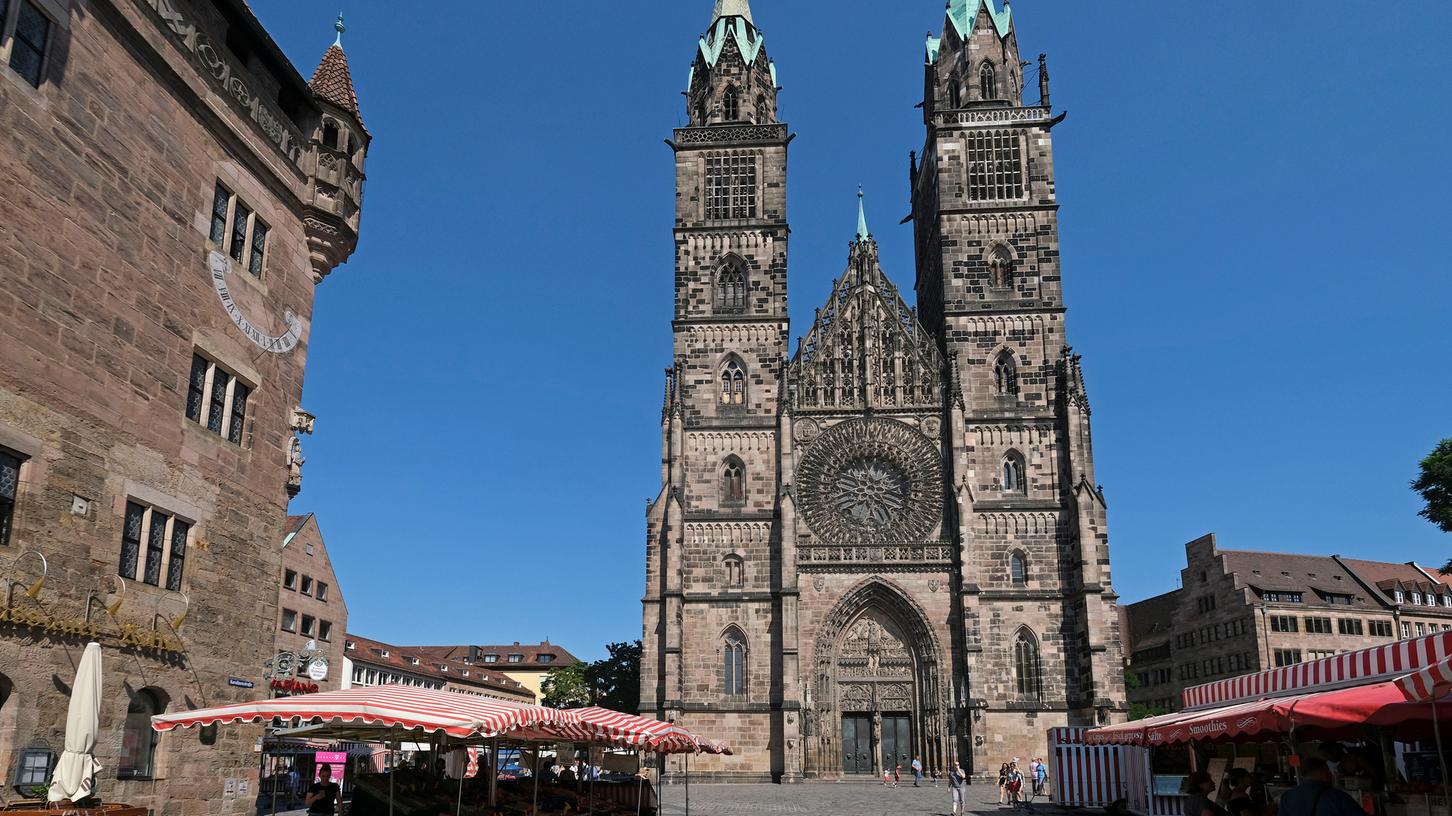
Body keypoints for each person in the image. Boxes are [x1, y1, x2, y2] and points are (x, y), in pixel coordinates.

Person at [1278, 758, 1364, 816]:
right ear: (1322, 773)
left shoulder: (1287, 797)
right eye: (1328, 772)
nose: (1331, 775)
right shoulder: (1338, 797)